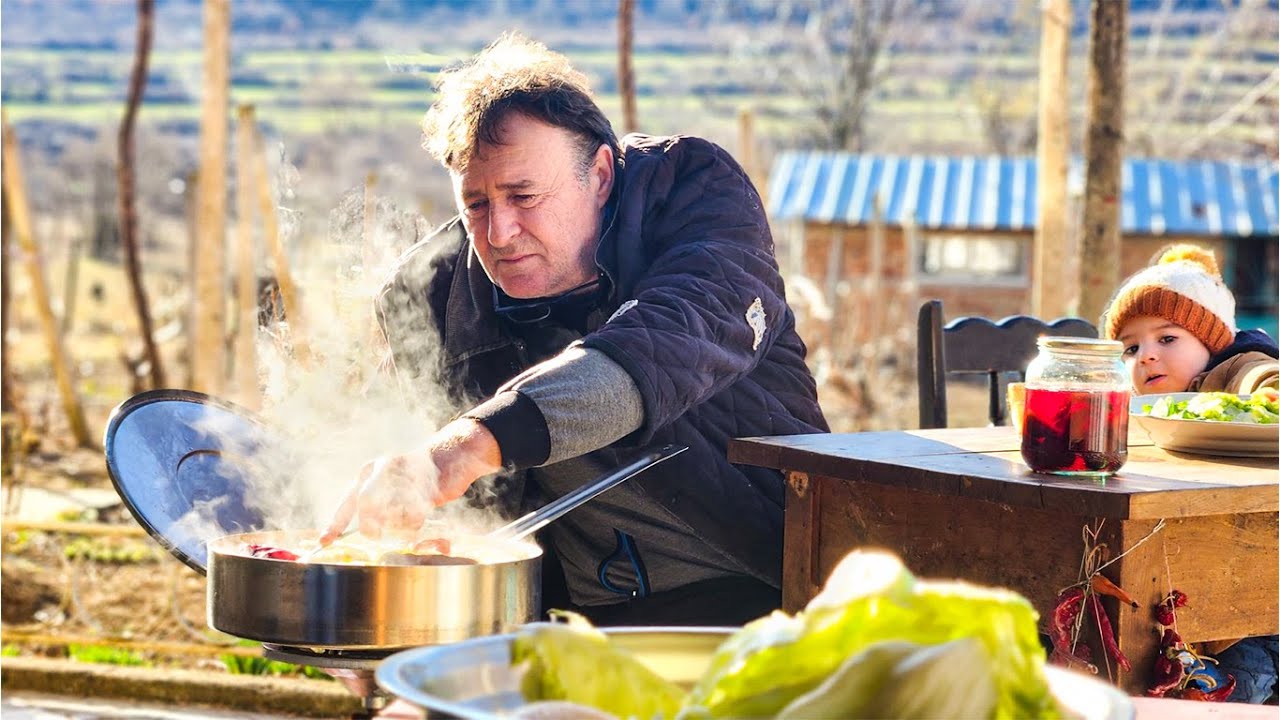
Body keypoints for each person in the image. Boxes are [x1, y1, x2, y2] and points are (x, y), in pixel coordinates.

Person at [322, 33, 828, 626]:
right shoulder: (431, 294)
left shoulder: (690, 192)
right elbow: (447, 504)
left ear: (603, 175)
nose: (500, 232)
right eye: (476, 205)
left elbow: (666, 344)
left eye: (524, 195)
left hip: (772, 588)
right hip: (571, 620)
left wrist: (463, 446)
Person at [1102, 243, 1278, 703]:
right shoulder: (1143, 407)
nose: (1146, 356)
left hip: (1253, 603)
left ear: (1212, 342)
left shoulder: (1235, 368)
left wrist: (1271, 390)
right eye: (1131, 347)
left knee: (1238, 675)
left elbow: (1261, 376)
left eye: (1167, 339)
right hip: (1175, 579)